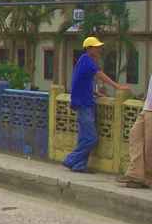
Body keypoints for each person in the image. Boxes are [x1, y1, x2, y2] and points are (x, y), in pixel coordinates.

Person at [63, 36, 130, 173]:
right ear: (89, 49)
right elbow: (100, 74)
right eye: (96, 47)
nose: (99, 49)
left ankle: (79, 166)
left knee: (84, 138)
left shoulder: (83, 61)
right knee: (91, 139)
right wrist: (117, 86)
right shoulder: (87, 60)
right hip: (84, 105)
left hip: (85, 102)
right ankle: (70, 160)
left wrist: (96, 94)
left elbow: (82, 83)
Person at [119, 74, 152, 188]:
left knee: (149, 146)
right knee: (135, 135)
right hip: (147, 108)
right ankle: (136, 174)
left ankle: (147, 178)